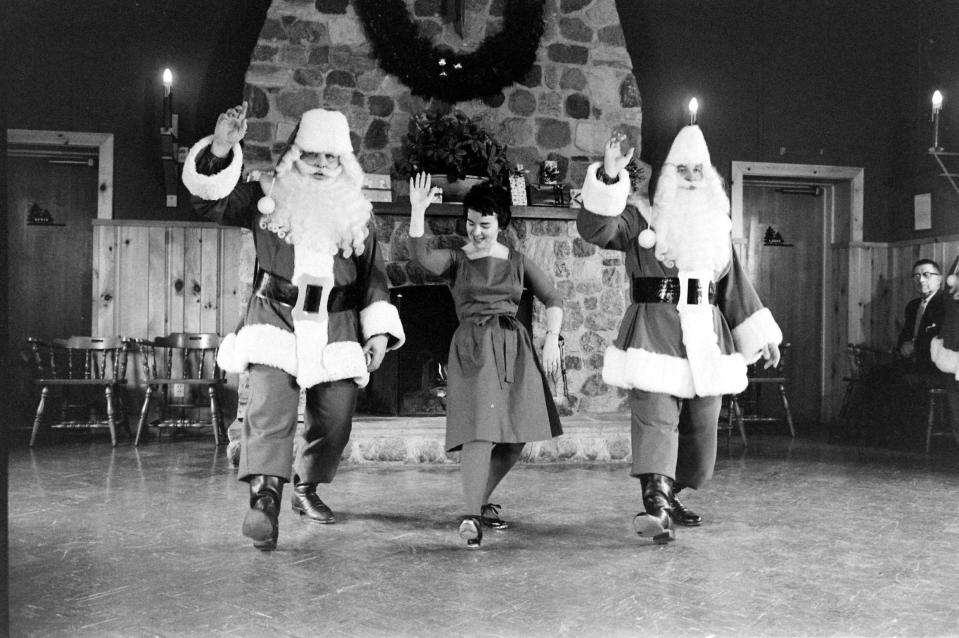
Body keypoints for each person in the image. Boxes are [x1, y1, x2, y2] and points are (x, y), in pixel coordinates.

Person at [181, 103, 405, 551]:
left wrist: (377, 330)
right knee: (268, 410)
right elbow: (208, 201)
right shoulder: (265, 195)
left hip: (337, 327)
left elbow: (375, 279)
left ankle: (306, 484)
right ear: (295, 154)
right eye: (312, 155)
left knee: (336, 419)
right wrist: (223, 145)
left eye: (331, 158)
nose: (321, 166)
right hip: (275, 321)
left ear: (344, 161)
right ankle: (264, 499)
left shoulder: (359, 214)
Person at [577, 126, 782, 543]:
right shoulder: (640, 218)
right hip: (654, 332)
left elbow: (736, 288)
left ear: (709, 178)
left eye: (698, 170)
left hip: (707, 340)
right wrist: (610, 178)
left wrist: (763, 337)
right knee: (655, 422)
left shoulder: (718, 232)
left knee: (701, 445)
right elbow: (596, 230)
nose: (690, 177)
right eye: (682, 169)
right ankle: (655, 505)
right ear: (668, 175)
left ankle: (670, 493)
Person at [407, 173, 564, 549]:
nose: (476, 231)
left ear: (501, 224)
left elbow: (554, 299)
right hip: (473, 348)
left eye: (485, 225)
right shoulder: (457, 260)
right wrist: (417, 212)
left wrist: (551, 339)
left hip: (514, 348)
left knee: (514, 440)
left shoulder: (517, 261)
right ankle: (471, 518)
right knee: (480, 433)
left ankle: (475, 503)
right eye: (471, 223)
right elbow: (422, 258)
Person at [896, 259, 945, 374]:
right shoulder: (912, 306)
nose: (921, 280)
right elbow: (906, 333)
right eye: (916, 276)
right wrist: (903, 346)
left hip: (935, 368)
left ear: (939, 279)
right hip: (910, 365)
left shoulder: (947, 304)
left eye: (926, 275)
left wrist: (915, 347)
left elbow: (945, 338)